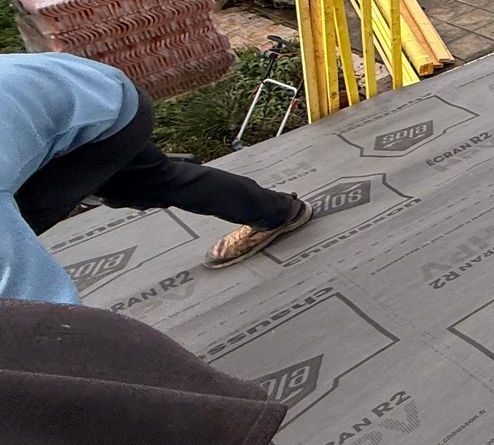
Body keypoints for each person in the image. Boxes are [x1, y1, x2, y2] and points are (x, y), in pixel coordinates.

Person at [0, 53, 310, 304]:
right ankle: (278, 212)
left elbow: (39, 293)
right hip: (89, 87)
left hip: (97, 111)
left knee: (24, 226)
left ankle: (85, 366)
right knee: (145, 184)